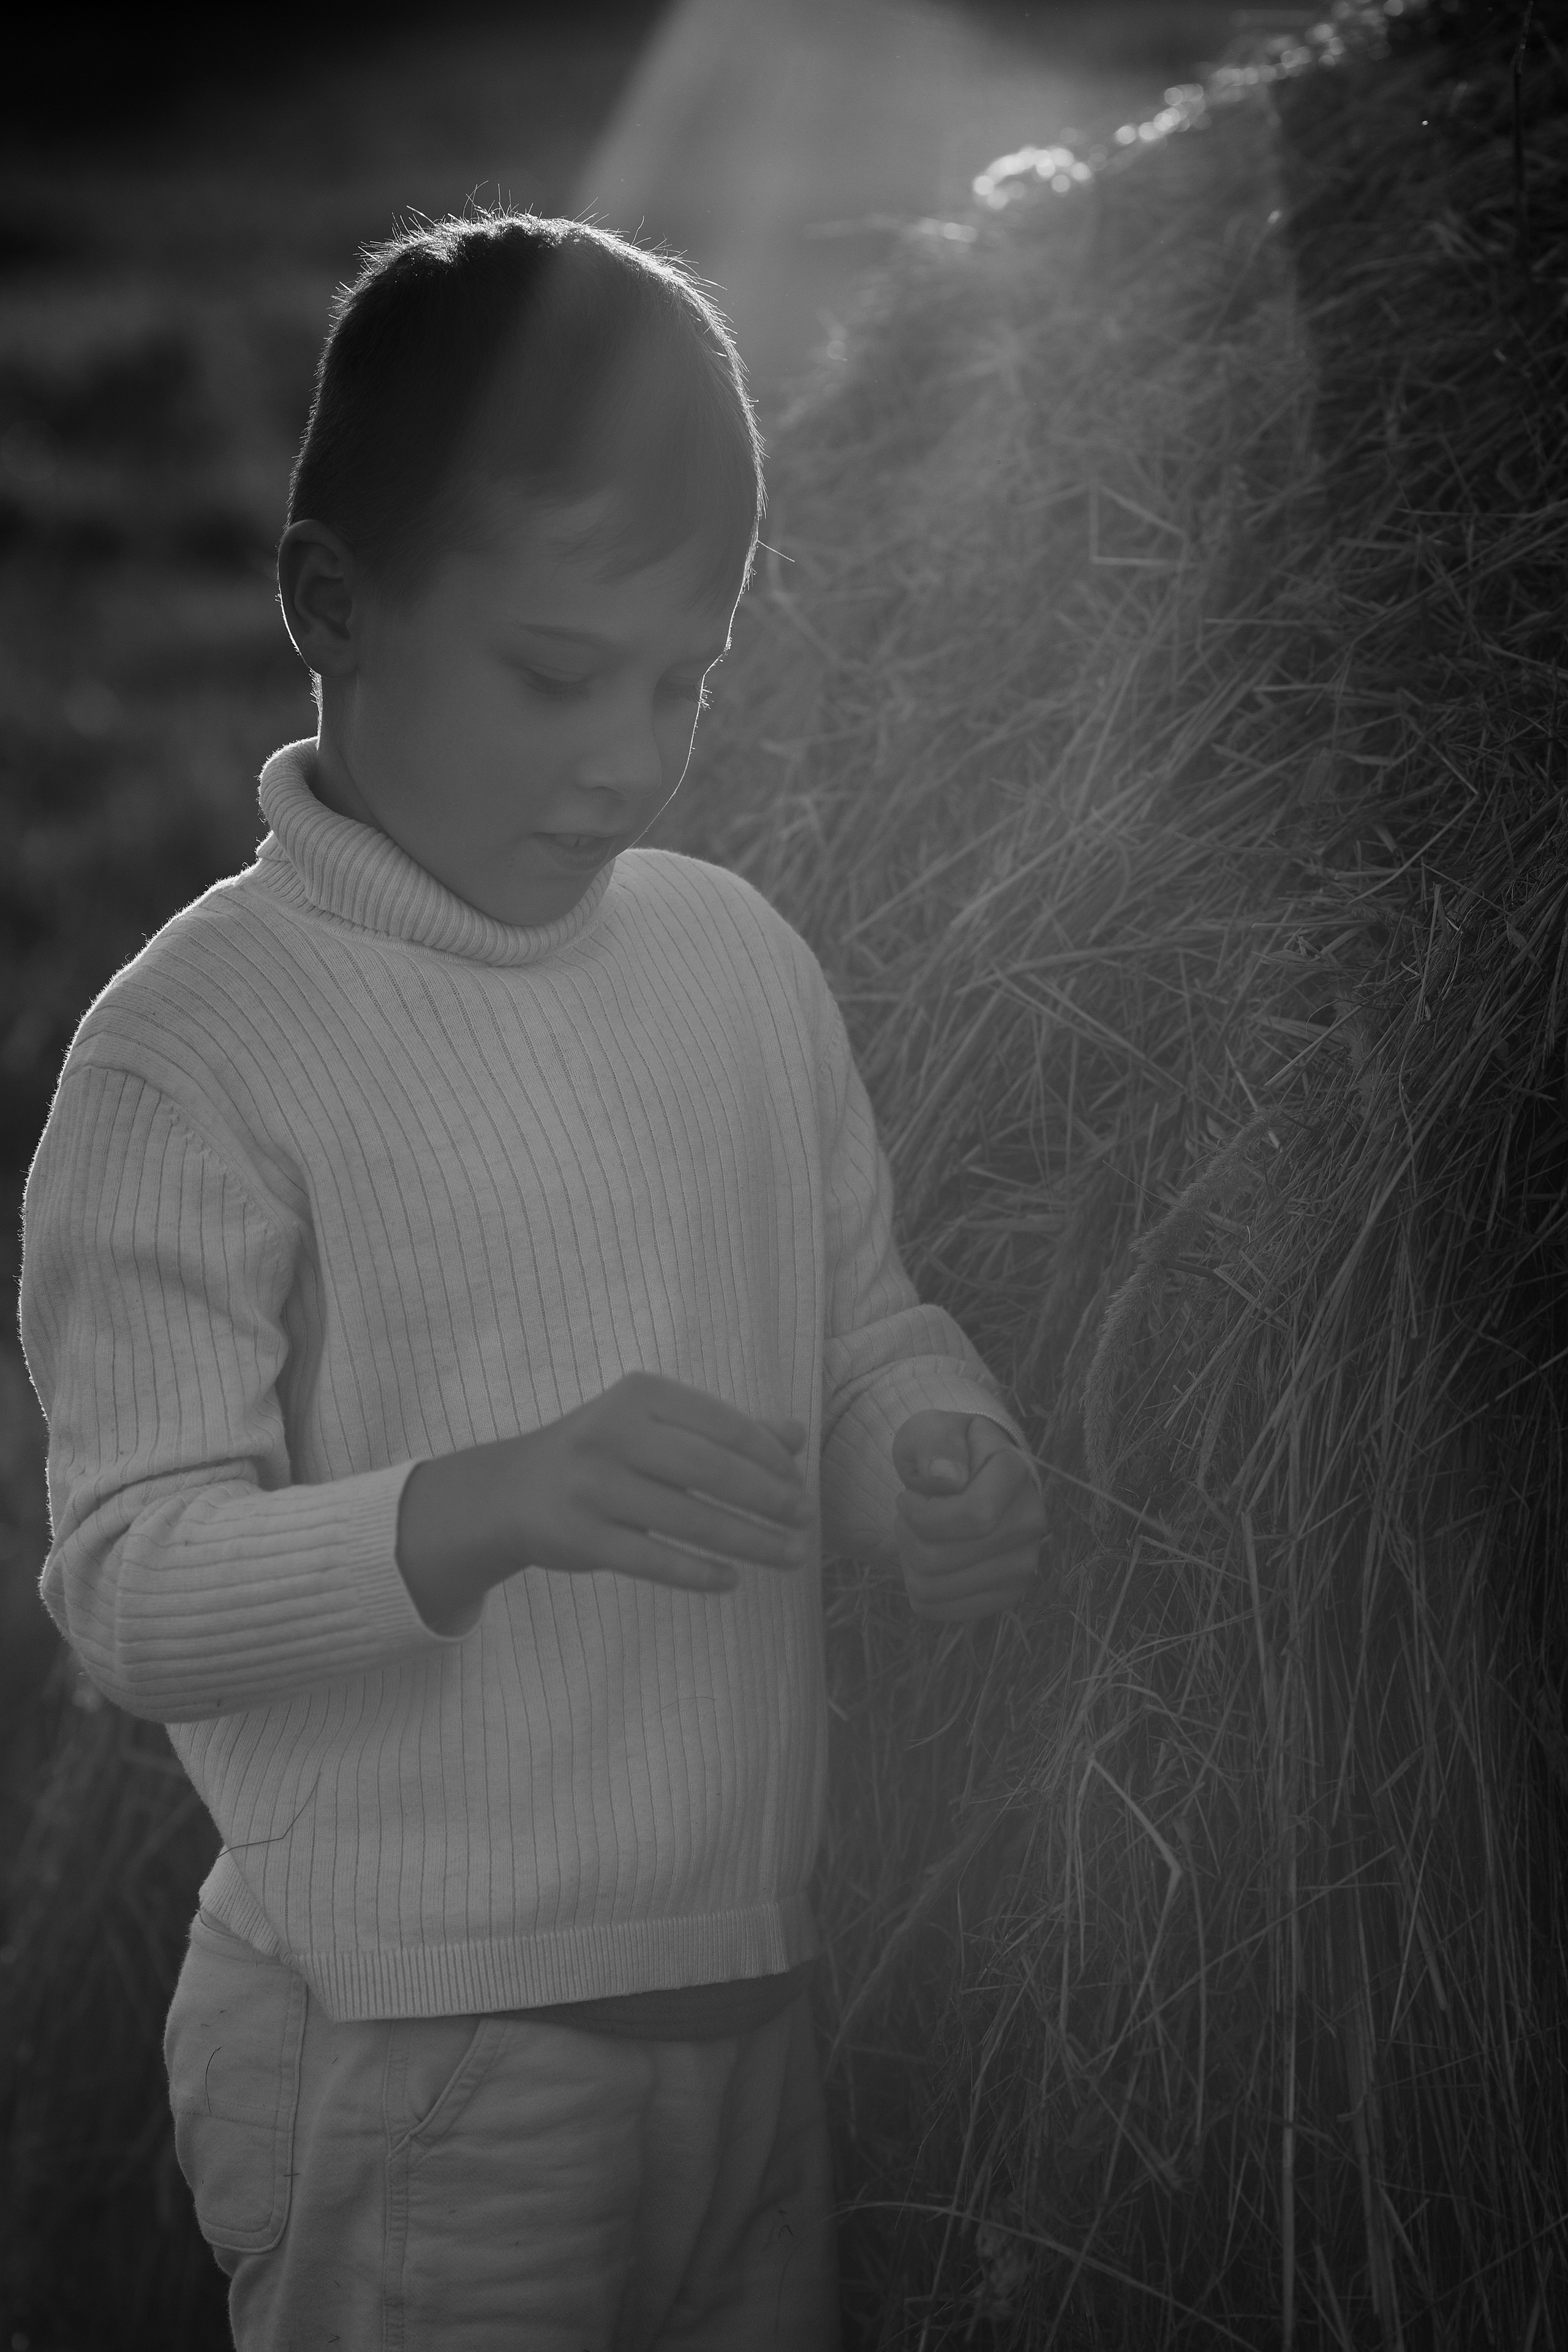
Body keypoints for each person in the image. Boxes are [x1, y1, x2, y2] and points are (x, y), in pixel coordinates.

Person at [18, 209, 1046, 2351]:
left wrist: (923, 1454)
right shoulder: (196, 1049)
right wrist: (484, 1506)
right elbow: (129, 1588)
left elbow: (853, 1324)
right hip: (423, 2069)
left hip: (753, 2021)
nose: (627, 757)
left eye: (682, 683)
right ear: (333, 605)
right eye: (557, 675)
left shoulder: (736, 963)